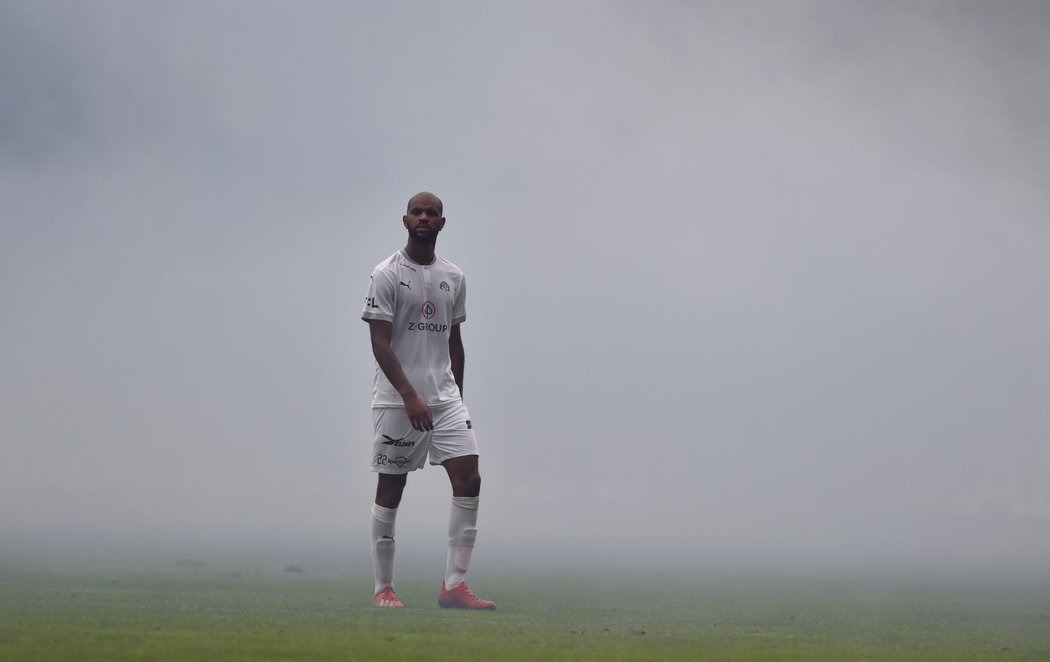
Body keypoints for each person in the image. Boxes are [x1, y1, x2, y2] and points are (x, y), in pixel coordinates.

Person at [361, 191, 495, 610]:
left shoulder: (453, 276)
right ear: (405, 220)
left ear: (441, 223)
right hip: (398, 401)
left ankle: (454, 586)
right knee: (391, 489)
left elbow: (455, 340)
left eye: (431, 213)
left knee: (469, 479)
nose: (423, 217)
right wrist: (409, 396)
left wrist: (457, 396)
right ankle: (384, 588)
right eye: (417, 212)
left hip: (445, 400)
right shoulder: (385, 274)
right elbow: (380, 344)